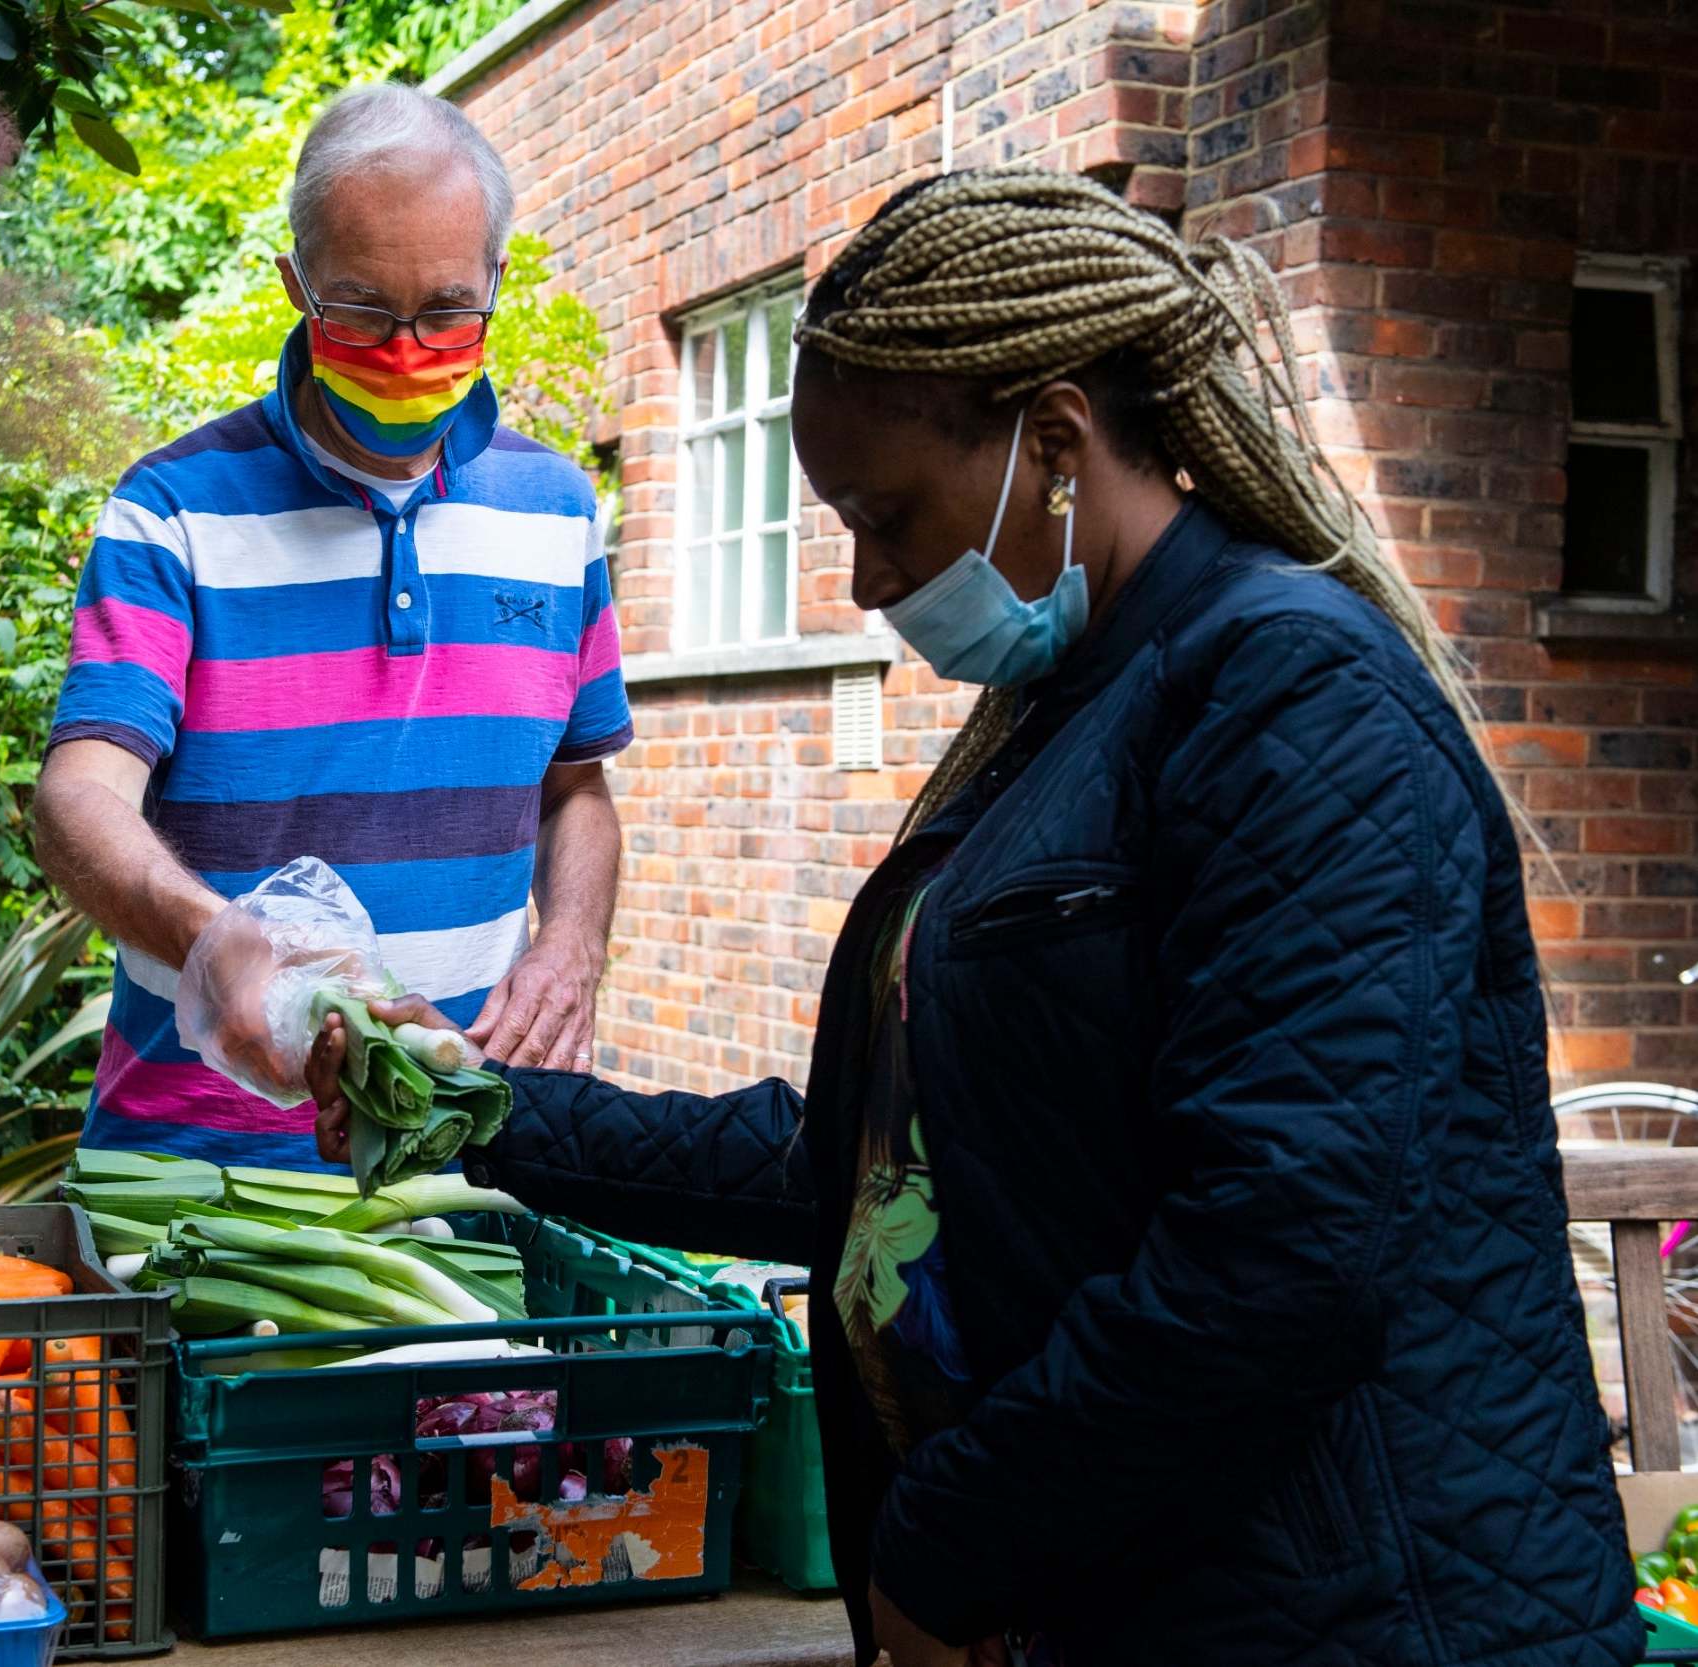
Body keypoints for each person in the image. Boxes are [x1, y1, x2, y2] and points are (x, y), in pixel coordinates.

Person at [310, 170, 1638, 1667]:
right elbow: (890, 1163)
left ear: (1055, 442)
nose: (871, 579)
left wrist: (947, 1541)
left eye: (885, 515)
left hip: (1349, 1616)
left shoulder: (1287, 694)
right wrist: (486, 1108)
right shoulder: (1065, 712)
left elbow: (1275, 1254)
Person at [35, 84, 630, 1170]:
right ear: (295, 284)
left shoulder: (556, 511)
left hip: (453, 1170)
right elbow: (77, 797)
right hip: (192, 1184)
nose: (406, 352)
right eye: (360, 311)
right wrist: (210, 936)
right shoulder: (170, 509)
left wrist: (573, 941)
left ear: (495, 282)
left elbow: (576, 788)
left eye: (446, 312)